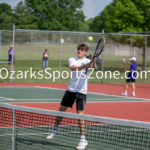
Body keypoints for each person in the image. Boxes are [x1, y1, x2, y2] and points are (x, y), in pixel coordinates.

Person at [46, 43, 96, 150]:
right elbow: (74, 68)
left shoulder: (88, 61)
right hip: (71, 90)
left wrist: (94, 62)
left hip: (82, 92)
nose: (79, 51)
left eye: (81, 50)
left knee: (80, 115)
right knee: (61, 110)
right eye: (78, 49)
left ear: (85, 52)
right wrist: (85, 66)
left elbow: (94, 67)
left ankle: (83, 140)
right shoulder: (72, 59)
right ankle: (55, 129)